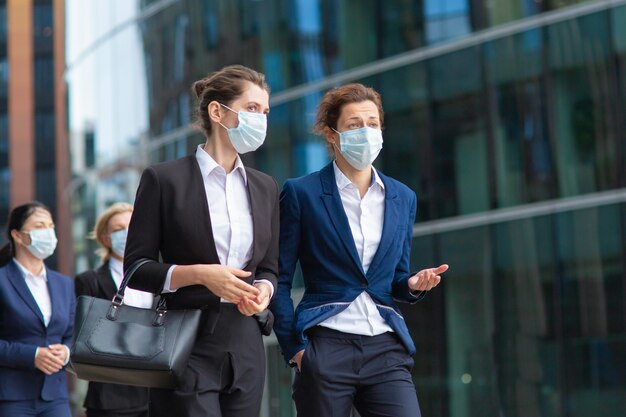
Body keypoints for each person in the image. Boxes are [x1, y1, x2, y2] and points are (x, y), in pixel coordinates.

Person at [270, 83, 449, 417]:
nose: (365, 132)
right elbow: (278, 278)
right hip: (325, 343)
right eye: (354, 125)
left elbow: (394, 276)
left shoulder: (402, 197)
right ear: (332, 134)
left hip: (385, 346)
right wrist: (295, 349)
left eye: (372, 123)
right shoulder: (301, 193)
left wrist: (411, 284)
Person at [124, 64, 279, 417]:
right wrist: (201, 274)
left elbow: (270, 267)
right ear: (217, 111)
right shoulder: (164, 180)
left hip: (245, 341)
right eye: (252, 108)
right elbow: (135, 269)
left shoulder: (265, 186)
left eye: (265, 111)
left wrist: (264, 292)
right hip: (185, 338)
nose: (261, 119)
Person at [75, 202, 153, 417]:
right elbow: (85, 335)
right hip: (110, 395)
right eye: (118, 229)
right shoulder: (89, 282)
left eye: (132, 227)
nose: (126, 233)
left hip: (156, 390)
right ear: (106, 239)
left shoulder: (162, 279)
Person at [0, 202, 75, 417]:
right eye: (40, 225)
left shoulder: (64, 284)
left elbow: (72, 334)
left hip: (55, 396)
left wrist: (66, 351)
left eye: (50, 226)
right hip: (12, 397)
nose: (48, 232)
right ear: (17, 235)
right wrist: (31, 355)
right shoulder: (2, 281)